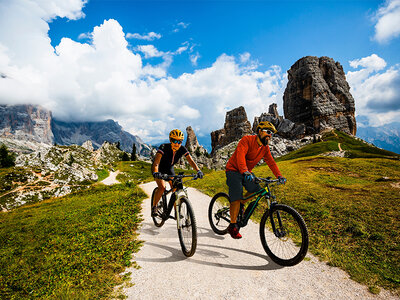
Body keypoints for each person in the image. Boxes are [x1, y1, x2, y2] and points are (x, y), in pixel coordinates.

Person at [225, 121, 286, 239]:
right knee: (236, 196)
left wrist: (279, 176)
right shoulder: (247, 140)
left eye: (272, 133)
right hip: (233, 169)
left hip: (246, 171)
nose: (270, 135)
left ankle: (242, 204)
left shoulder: (265, 148)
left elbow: (271, 162)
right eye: (268, 132)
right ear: (259, 131)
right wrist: (244, 170)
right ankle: (232, 226)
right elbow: (240, 156)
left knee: (257, 189)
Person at [151, 129, 204, 216]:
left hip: (169, 169)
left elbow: (191, 161)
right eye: (174, 141)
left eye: (179, 141)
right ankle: (154, 207)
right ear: (170, 140)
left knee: (175, 189)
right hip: (159, 169)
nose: (177, 143)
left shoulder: (182, 149)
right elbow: (156, 163)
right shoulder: (163, 147)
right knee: (162, 187)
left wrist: (198, 170)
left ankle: (177, 212)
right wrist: (156, 173)